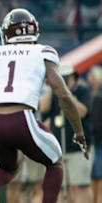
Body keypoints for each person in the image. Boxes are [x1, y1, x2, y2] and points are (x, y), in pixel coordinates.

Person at [0, 8, 88, 203]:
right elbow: (64, 96)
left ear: (7, 32)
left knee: (7, 168)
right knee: (55, 162)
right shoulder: (42, 51)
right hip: (22, 118)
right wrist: (79, 132)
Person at [40, 63, 94, 203]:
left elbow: (82, 112)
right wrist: (53, 87)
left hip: (78, 149)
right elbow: (44, 108)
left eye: (64, 78)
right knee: (62, 188)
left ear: (72, 77)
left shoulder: (83, 91)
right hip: (60, 149)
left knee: (80, 186)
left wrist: (66, 94)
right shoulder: (55, 93)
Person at [88, 66, 102, 203]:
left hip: (97, 142)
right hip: (95, 141)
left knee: (96, 178)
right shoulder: (92, 94)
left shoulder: (97, 96)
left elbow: (96, 121)